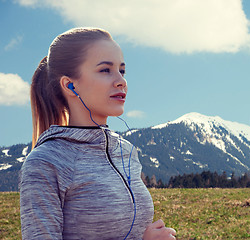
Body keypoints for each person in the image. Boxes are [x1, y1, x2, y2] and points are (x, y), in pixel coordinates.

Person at [19, 27, 177, 239]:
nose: (121, 80)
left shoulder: (126, 151)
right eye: (105, 70)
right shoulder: (46, 162)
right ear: (70, 85)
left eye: (122, 70)